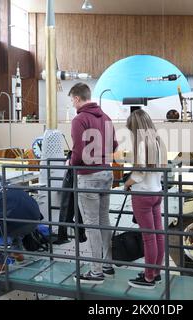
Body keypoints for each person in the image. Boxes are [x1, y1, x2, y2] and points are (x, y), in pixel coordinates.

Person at [68, 83, 119, 284]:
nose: (72, 104)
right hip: (106, 173)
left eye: (72, 100)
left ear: (78, 98)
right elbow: (114, 145)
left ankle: (96, 271)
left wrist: (70, 162)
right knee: (103, 220)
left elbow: (78, 153)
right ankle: (107, 265)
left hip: (88, 176)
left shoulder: (79, 119)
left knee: (91, 224)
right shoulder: (106, 117)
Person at [124, 109, 167, 289]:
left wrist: (127, 184)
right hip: (157, 192)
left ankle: (148, 278)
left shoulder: (141, 144)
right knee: (158, 235)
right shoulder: (158, 141)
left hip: (142, 195)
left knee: (148, 238)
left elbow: (140, 174)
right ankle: (155, 273)